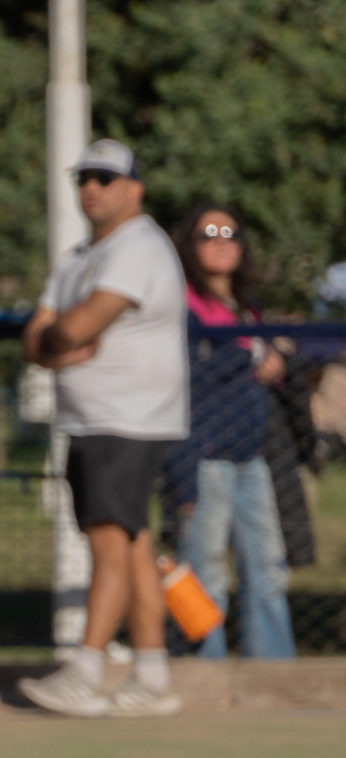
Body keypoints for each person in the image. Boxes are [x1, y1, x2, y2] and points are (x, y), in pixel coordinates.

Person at [21, 139, 189, 718]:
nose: (93, 187)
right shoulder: (77, 256)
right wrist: (52, 343)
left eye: (106, 177)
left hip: (128, 420)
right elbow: (42, 333)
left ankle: (87, 669)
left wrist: (57, 340)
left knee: (108, 542)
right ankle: (151, 673)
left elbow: (78, 326)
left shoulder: (139, 245)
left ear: (134, 188)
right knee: (134, 543)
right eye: (84, 177)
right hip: (94, 420)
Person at [165, 204, 296, 659]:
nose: (221, 241)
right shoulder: (181, 303)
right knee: (207, 576)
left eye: (230, 233)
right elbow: (190, 370)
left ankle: (276, 676)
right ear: (190, 245)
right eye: (209, 234)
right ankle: (206, 675)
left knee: (268, 571)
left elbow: (256, 362)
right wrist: (252, 358)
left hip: (251, 456)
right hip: (205, 458)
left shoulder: (246, 307)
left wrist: (274, 357)